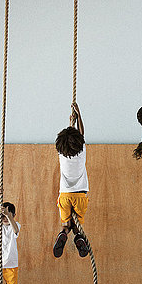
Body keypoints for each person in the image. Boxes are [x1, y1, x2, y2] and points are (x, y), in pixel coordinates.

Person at [53, 102, 89, 258]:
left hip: (66, 195)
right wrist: (78, 114)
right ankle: (77, 236)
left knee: (66, 224)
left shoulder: (62, 153)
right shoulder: (81, 151)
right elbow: (80, 133)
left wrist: (70, 123)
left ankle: (64, 233)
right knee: (77, 226)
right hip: (80, 195)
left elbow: (74, 137)